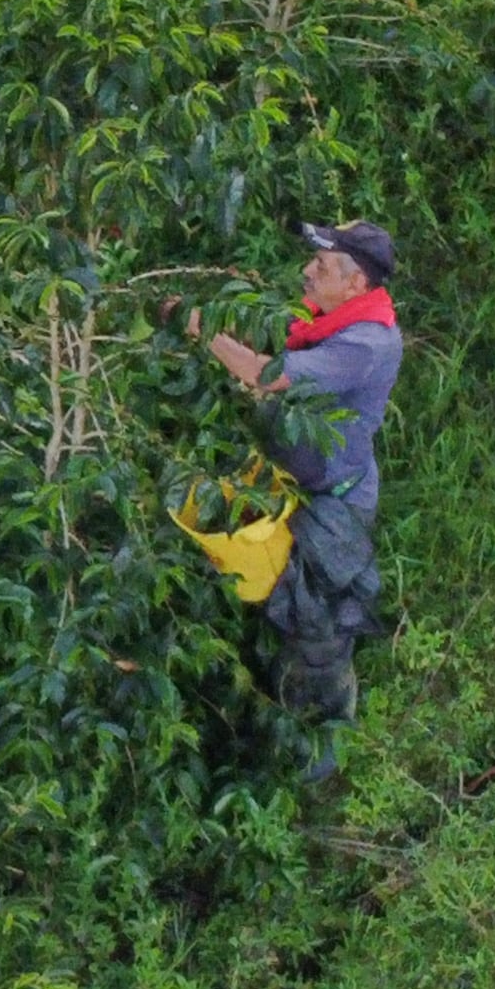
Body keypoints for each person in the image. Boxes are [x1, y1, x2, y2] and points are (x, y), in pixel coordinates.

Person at [190, 221, 402, 728]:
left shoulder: (365, 344)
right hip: (297, 484)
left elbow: (265, 375)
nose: (307, 271)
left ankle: (320, 736)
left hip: (334, 502)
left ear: (355, 283)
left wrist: (200, 327)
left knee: (318, 632)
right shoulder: (326, 316)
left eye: (321, 266)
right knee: (282, 603)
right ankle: (276, 701)